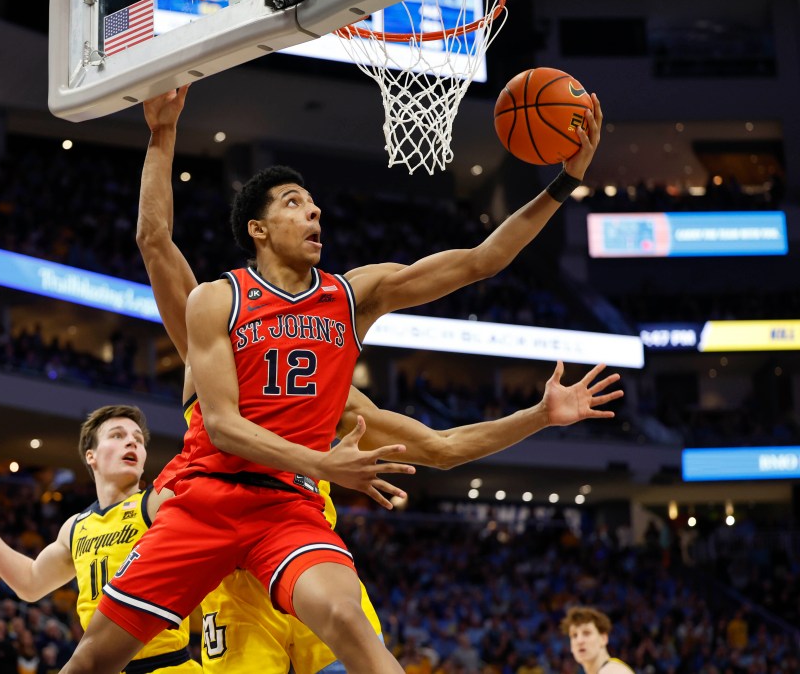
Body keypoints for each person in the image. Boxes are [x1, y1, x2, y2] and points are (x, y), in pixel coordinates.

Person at [60, 83, 605, 674]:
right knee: (93, 658)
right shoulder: (216, 303)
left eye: (314, 203)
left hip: (286, 509)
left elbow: (480, 262)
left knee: (350, 622)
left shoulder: (348, 322)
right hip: (205, 502)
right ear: (259, 230)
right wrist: (162, 134)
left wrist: (563, 182)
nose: (314, 210)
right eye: (294, 202)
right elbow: (157, 248)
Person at [0, 405, 201, 674]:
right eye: (117, 435)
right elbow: (30, 583)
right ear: (91, 456)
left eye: (138, 439)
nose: (131, 442)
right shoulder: (76, 527)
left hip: (164, 665)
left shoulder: (157, 502)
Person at [560, 606, 634, 674]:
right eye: (574, 635)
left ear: (603, 638)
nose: (579, 641)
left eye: (586, 633)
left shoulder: (613, 671)